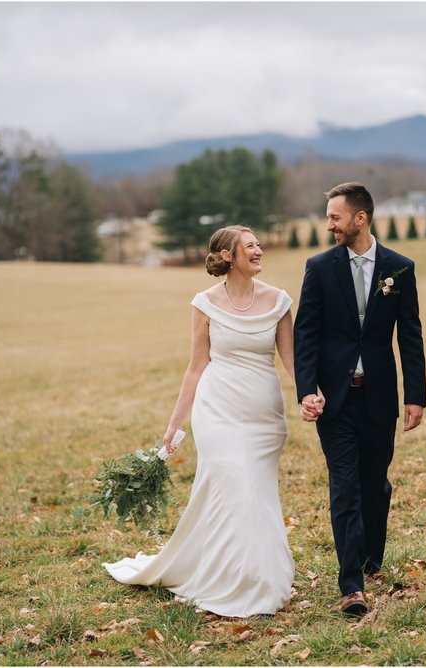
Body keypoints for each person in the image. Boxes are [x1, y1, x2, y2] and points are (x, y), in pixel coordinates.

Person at [103, 225, 295, 617]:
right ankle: (233, 581)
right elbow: (195, 367)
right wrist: (175, 424)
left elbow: (293, 361)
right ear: (228, 255)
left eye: (259, 245)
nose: (259, 250)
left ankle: (260, 577)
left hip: (264, 417)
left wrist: (312, 393)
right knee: (234, 486)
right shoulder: (204, 303)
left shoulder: (279, 301)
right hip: (218, 410)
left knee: (256, 494)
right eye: (250, 246)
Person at [294, 182, 426, 617]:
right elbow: (306, 335)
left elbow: (410, 335)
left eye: (335, 217)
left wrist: (415, 397)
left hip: (379, 399)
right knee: (344, 487)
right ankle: (351, 585)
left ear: (360, 218)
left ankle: (371, 560)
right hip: (334, 400)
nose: (328, 224)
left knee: (374, 484)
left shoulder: (399, 268)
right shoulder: (319, 267)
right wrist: (306, 390)